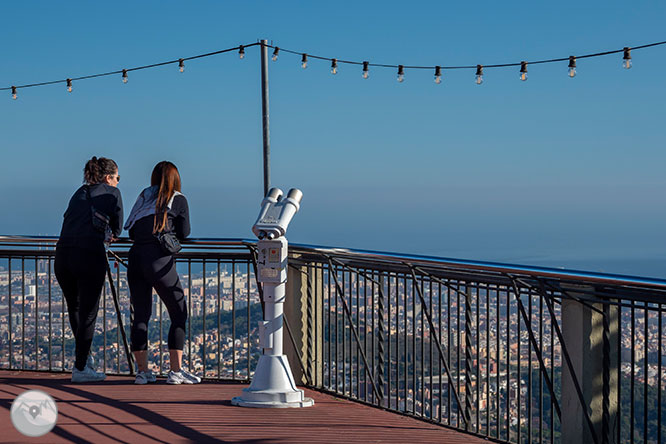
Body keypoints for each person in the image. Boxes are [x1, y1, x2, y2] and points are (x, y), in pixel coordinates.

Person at [124, 161, 200, 385]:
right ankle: (176, 371)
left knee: (141, 315)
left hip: (135, 258)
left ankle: (142, 372)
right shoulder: (178, 199)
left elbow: (131, 231)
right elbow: (184, 233)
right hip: (159, 261)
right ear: (176, 179)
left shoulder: (144, 196)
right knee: (178, 313)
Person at [55, 156, 123, 383]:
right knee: (89, 313)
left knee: (74, 308)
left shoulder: (78, 192)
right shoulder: (112, 194)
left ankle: (84, 361)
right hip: (89, 254)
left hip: (63, 255)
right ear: (108, 177)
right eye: (117, 178)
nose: (117, 182)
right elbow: (118, 227)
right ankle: (81, 366)